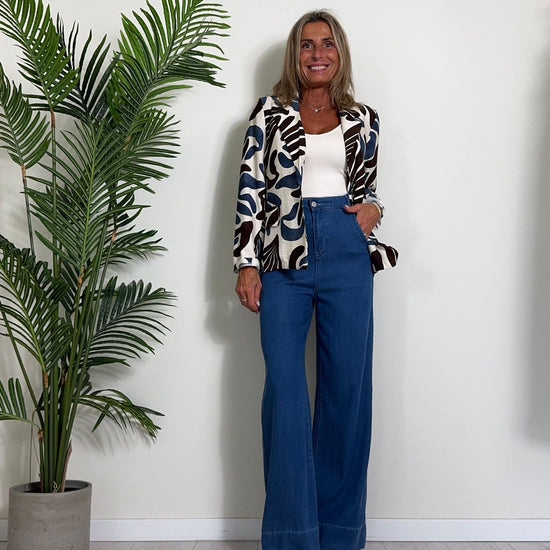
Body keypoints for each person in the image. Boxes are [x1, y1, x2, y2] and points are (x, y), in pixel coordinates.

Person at [233, 10, 397, 550]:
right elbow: (250, 189)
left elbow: (368, 190)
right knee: (285, 392)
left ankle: (341, 537)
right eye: (307, 45)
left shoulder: (365, 119)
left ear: (340, 53)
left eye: (327, 44)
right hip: (283, 256)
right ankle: (292, 538)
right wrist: (246, 262)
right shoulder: (268, 113)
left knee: (346, 394)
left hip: (347, 254)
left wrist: (374, 209)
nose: (317, 53)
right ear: (295, 54)